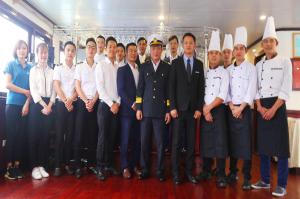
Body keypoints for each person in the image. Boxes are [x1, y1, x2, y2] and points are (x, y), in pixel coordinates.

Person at [251, 16, 292, 197]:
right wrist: (259, 108)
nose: (267, 44)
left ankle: (282, 184)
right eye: (265, 41)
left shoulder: (285, 62)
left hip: (278, 105)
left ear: (276, 42)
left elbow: (285, 88)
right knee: (264, 147)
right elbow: (255, 89)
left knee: (281, 148)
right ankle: (265, 180)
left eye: (270, 41)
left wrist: (273, 109)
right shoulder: (258, 65)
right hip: (262, 106)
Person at [169, 32, 204, 185]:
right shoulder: (175, 63)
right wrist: (172, 107)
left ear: (194, 45)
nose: (189, 45)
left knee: (191, 143)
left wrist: (199, 108)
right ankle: (176, 173)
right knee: (176, 143)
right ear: (183, 45)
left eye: (191, 42)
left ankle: (189, 171)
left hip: (192, 112)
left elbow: (201, 88)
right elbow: (171, 87)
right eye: (186, 42)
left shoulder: (199, 64)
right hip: (178, 110)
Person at [197, 31, 229, 188]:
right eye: (211, 53)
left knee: (220, 142)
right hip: (205, 109)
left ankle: (221, 174)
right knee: (206, 141)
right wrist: (205, 108)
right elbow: (200, 92)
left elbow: (222, 95)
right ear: (208, 56)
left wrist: (208, 108)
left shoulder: (224, 72)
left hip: (218, 110)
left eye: (217, 53)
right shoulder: (204, 72)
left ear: (220, 55)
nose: (214, 56)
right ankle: (206, 170)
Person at [136, 34, 171, 182]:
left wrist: (169, 110)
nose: (156, 51)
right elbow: (140, 89)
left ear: (162, 50)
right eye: (153, 48)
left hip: (160, 111)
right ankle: (145, 169)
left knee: (161, 143)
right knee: (144, 142)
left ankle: (160, 170)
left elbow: (169, 91)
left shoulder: (167, 67)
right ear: (150, 50)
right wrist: (138, 108)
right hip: (146, 111)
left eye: (158, 48)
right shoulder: (144, 67)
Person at [226, 27, 257, 190]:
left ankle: (247, 177)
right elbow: (227, 91)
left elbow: (251, 90)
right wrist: (232, 107)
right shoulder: (228, 70)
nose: (238, 51)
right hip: (232, 110)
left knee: (245, 144)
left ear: (245, 50)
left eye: (241, 48)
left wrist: (241, 107)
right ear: (233, 51)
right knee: (232, 143)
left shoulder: (252, 68)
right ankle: (232, 172)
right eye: (235, 49)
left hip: (245, 111)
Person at [3, 40, 31, 180]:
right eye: (19, 48)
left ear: (27, 51)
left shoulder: (30, 67)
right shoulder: (11, 64)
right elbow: (7, 84)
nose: (22, 51)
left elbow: (32, 90)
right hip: (12, 105)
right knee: (12, 137)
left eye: (24, 48)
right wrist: (24, 91)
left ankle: (17, 166)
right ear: (16, 50)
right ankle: (8, 168)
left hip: (25, 106)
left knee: (21, 137)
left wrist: (27, 102)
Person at [29, 43, 56, 180]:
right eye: (41, 52)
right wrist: (43, 105)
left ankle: (42, 165)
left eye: (46, 52)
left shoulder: (52, 71)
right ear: (37, 54)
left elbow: (54, 90)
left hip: (49, 106)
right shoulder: (33, 70)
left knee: (45, 137)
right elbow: (33, 90)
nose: (44, 55)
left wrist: (50, 105)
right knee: (35, 136)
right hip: (37, 105)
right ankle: (34, 167)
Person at [95, 36, 120, 180]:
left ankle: (109, 164)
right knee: (103, 137)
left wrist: (117, 103)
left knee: (112, 137)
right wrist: (111, 104)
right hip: (105, 106)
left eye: (114, 46)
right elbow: (100, 87)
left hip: (116, 106)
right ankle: (100, 166)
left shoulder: (118, 66)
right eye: (109, 46)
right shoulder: (101, 65)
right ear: (106, 49)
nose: (112, 49)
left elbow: (120, 89)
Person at [74, 38, 99, 178]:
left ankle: (90, 164)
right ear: (86, 49)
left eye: (93, 47)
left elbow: (100, 86)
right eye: (88, 46)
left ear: (95, 50)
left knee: (92, 135)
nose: (90, 49)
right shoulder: (80, 66)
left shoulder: (99, 66)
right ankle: (78, 166)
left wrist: (93, 101)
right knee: (79, 135)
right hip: (82, 104)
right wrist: (86, 101)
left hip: (95, 104)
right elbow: (77, 86)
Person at [53, 41, 78, 176]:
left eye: (72, 50)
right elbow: (57, 86)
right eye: (68, 50)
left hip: (72, 105)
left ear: (74, 53)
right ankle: (57, 165)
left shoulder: (76, 69)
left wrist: (70, 100)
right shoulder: (58, 68)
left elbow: (77, 88)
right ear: (64, 51)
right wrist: (65, 101)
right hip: (61, 105)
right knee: (59, 135)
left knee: (69, 136)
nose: (70, 53)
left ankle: (67, 163)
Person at [117, 42, 141, 179]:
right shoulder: (122, 70)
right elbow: (121, 90)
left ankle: (134, 165)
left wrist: (140, 106)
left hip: (139, 111)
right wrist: (132, 104)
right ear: (126, 53)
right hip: (127, 111)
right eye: (130, 51)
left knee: (137, 140)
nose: (133, 53)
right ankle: (125, 167)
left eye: (134, 51)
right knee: (125, 140)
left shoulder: (140, 69)